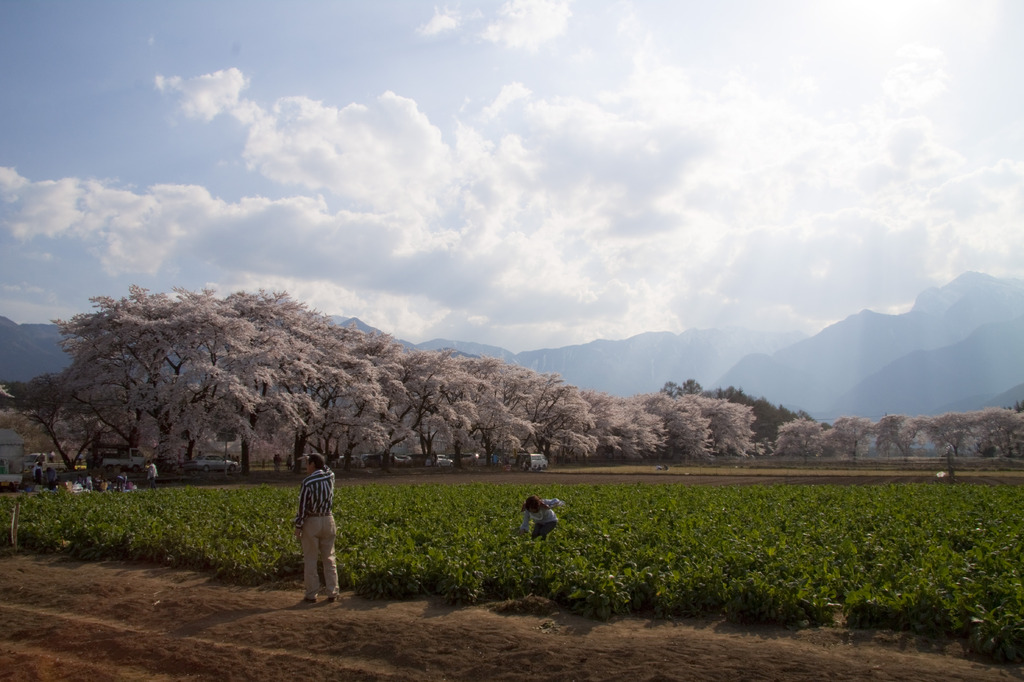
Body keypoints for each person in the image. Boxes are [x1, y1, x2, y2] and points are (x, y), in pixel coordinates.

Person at [294, 453, 339, 604]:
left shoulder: (308, 482)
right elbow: (326, 467)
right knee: (329, 557)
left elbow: (302, 506)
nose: (306, 466)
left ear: (313, 464)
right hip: (328, 519)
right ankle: (333, 591)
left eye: (307, 463)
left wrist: (298, 525)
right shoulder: (330, 476)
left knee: (311, 559)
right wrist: (315, 458)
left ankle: (312, 594)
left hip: (312, 521)